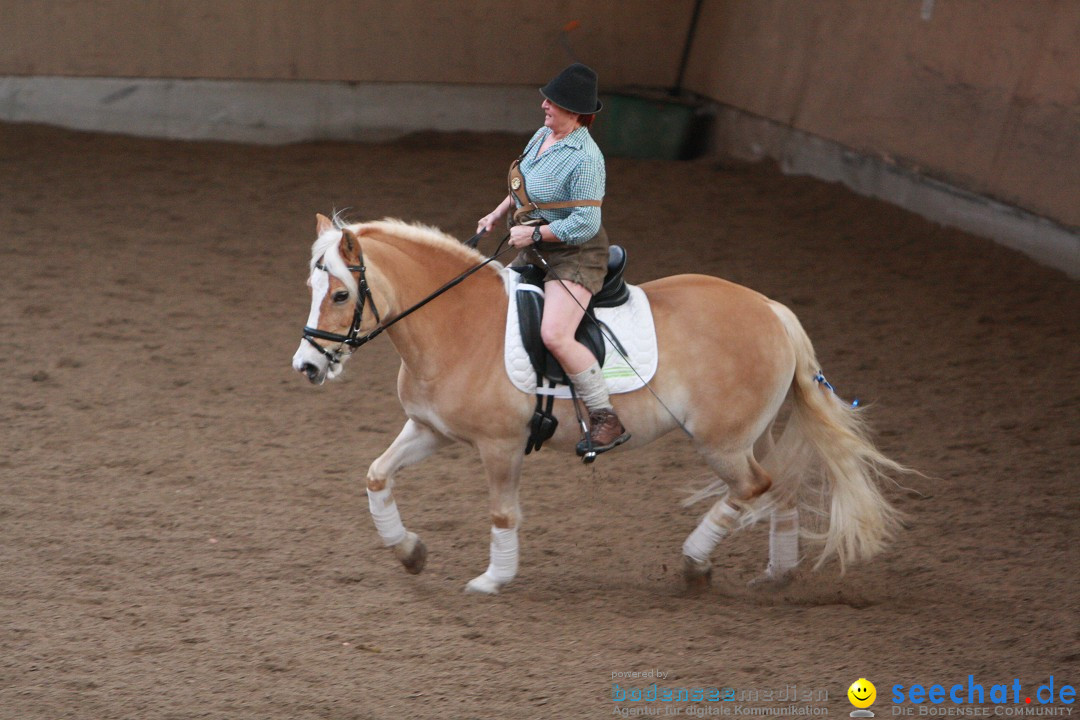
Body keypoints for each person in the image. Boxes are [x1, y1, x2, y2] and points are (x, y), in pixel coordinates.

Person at [477, 63, 629, 455]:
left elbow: (584, 222)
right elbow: (524, 187)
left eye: (554, 103)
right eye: (548, 99)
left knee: (555, 333)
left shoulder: (586, 158)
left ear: (576, 113)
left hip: (575, 254)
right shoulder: (543, 134)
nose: (544, 105)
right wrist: (498, 213)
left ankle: (604, 416)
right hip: (536, 244)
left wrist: (534, 234)